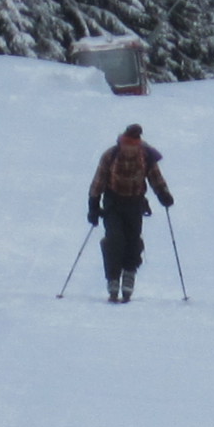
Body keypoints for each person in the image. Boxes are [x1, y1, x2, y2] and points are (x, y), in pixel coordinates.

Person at [88, 123, 173, 303]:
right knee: (114, 239)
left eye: (134, 145)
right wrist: (93, 205)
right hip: (113, 204)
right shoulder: (110, 156)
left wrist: (163, 194)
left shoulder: (146, 156)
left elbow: (155, 177)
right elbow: (99, 179)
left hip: (134, 204)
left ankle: (129, 274)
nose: (130, 149)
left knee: (133, 241)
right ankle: (113, 279)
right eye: (128, 145)